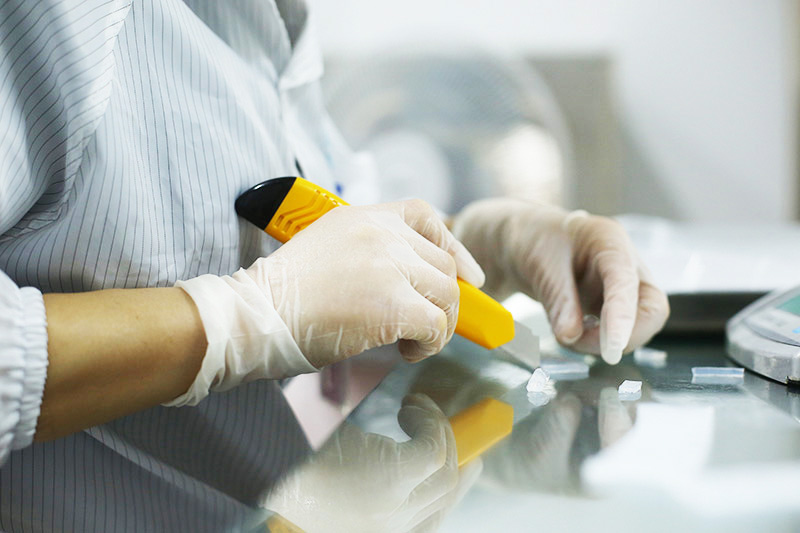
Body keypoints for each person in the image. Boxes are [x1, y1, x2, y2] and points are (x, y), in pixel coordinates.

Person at [0, 0, 670, 531]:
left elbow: (322, 265)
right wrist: (238, 321)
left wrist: (483, 244)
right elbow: (283, 298)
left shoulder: (269, 24)